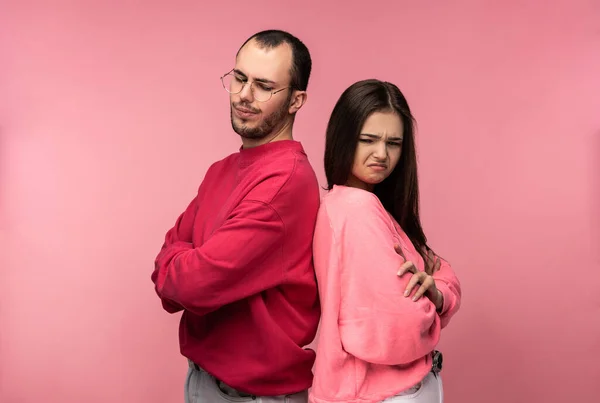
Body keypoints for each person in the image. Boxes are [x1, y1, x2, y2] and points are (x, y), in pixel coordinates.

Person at [151, 30, 320, 403]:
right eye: (240, 78)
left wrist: (182, 262)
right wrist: (180, 266)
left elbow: (194, 284)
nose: (244, 94)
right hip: (204, 379)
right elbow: (167, 274)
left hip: (253, 396)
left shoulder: (286, 181)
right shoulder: (221, 170)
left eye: (263, 86)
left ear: (296, 100)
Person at [309, 79, 462, 403]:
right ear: (343, 138)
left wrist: (435, 290)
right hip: (381, 394)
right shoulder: (357, 208)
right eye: (368, 140)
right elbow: (399, 326)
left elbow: (440, 270)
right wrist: (434, 304)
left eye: (394, 143)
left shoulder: (369, 206)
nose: (382, 154)